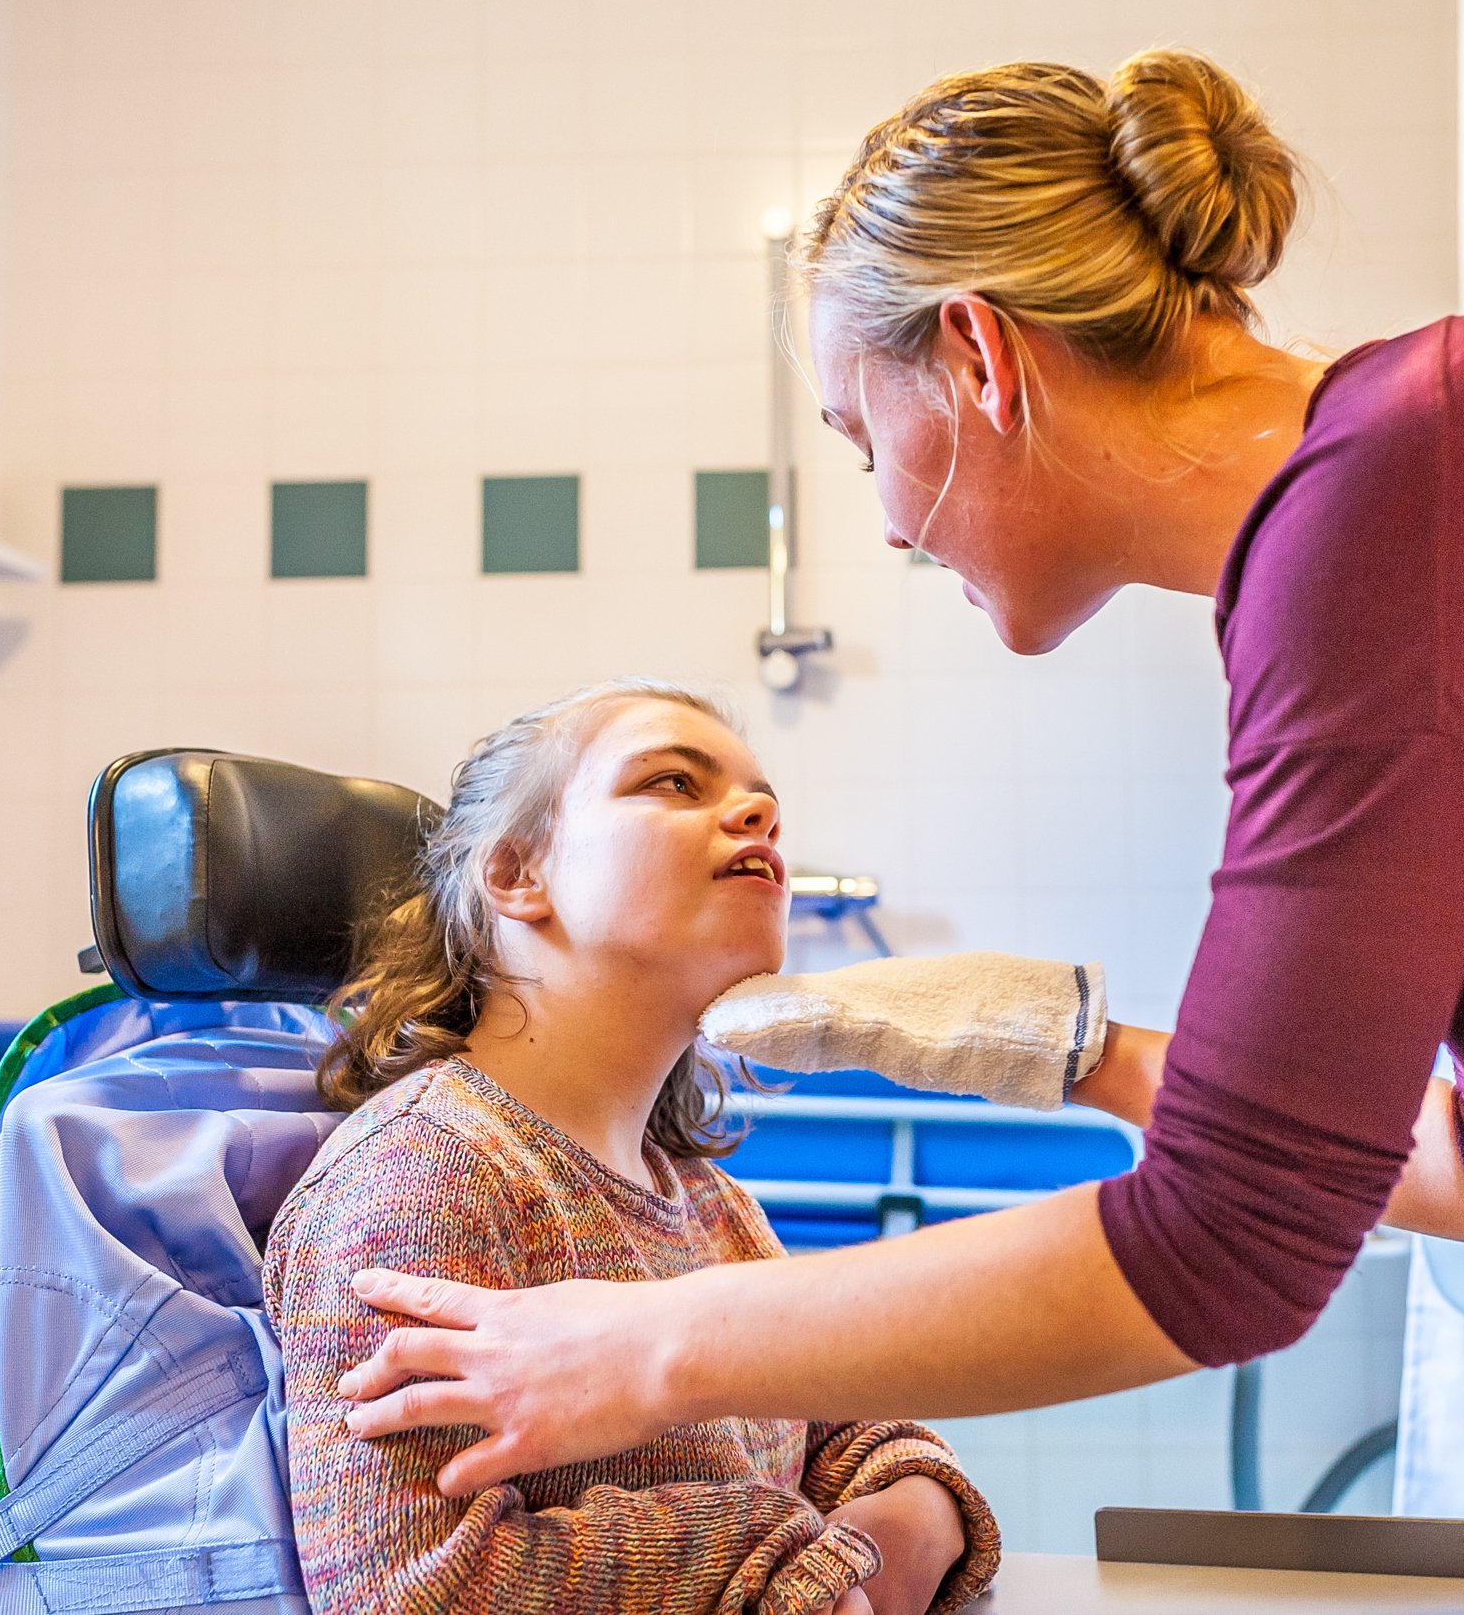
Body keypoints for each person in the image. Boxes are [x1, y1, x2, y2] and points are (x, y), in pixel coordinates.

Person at [331, 51, 1464, 1487]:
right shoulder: (1402, 495)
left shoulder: (1402, 496)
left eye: (865, 437)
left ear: (979, 356)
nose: (878, 516)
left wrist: (631, 1350)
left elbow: (1232, 1244)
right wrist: (1081, 1052)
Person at [263, 678, 1001, 1615]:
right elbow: (415, 1593)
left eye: (760, 798)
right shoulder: (426, 1174)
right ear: (517, 875)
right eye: (671, 783)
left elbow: (852, 1437)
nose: (761, 814)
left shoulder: (704, 1200)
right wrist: (785, 1561)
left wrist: (909, 1516)